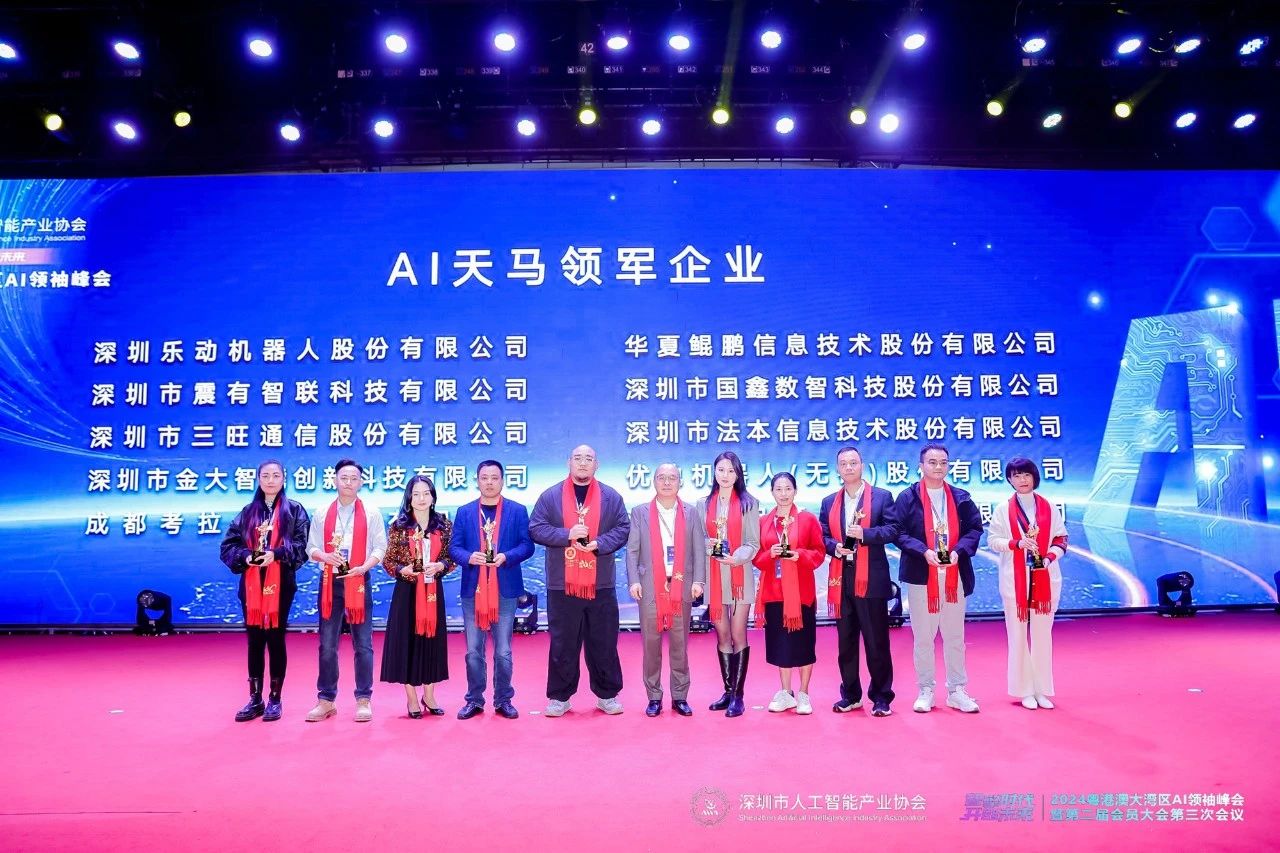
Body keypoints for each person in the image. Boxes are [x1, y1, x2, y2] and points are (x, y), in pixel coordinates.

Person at [529, 444, 631, 716]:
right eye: (578, 458)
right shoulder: (550, 496)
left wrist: (600, 543)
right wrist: (567, 535)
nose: (583, 463)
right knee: (563, 642)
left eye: (588, 458)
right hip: (562, 583)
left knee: (603, 642)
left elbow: (624, 528)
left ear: (597, 464)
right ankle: (559, 697)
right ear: (569, 463)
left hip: (601, 582)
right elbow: (536, 528)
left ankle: (607, 695)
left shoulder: (611, 497)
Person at [892, 443, 984, 714]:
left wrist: (958, 551)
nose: (938, 467)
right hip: (922, 575)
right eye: (932, 462)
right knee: (923, 637)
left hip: (955, 575)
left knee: (955, 636)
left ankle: (957, 690)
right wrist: (924, 551)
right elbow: (898, 532)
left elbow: (975, 530)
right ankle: (926, 689)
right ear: (921, 466)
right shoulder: (907, 497)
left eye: (943, 462)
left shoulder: (961, 497)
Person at [219, 460, 311, 722]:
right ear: (258, 479)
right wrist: (246, 556)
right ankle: (255, 698)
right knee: (255, 640)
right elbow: (228, 547)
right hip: (251, 585)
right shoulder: (247, 512)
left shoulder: (295, 510)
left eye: (276, 475)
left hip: (280, 584)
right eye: (266, 476)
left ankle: (275, 698)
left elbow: (302, 546)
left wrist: (277, 554)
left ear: (284, 479)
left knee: (275, 638)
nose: (271, 480)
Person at [448, 459, 534, 720]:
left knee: (503, 651)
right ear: (477, 481)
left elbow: (527, 546)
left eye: (494, 478)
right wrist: (468, 557)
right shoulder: (465, 512)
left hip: (505, 589)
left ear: (502, 481)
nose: (489, 482)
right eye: (484, 478)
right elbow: (454, 548)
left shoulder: (517, 510)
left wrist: (506, 556)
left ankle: (503, 699)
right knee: (473, 650)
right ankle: (474, 700)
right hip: (473, 590)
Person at [305, 458, 388, 723]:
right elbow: (310, 548)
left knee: (363, 644)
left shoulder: (372, 513)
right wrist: (324, 556)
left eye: (354, 478)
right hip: (330, 582)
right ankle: (326, 700)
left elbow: (380, 547)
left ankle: (363, 699)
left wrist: (363, 567)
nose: (348, 483)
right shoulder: (322, 513)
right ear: (334, 480)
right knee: (327, 645)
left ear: (361, 482)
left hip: (359, 580)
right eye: (344, 478)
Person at [818, 446, 897, 717]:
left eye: (853, 462)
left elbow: (893, 530)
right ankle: (851, 695)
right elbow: (822, 536)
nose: (849, 467)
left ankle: (881, 696)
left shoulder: (882, 497)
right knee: (846, 642)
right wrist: (835, 547)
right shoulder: (829, 502)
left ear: (862, 466)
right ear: (837, 469)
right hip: (842, 578)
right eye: (844, 464)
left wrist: (865, 534)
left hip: (871, 578)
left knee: (876, 642)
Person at [987, 457, 1068, 711]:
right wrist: (1016, 544)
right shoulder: (1003, 509)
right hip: (1015, 582)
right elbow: (993, 541)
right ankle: (1024, 690)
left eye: (1026, 475)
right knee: (1018, 636)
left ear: (1034, 477)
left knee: (1043, 635)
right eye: (1016, 476)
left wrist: (1049, 557)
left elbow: (1061, 539)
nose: (1022, 480)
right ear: (1009, 480)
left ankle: (1042, 689)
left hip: (1046, 579)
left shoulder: (1049, 507)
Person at [626, 463, 707, 717]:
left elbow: (698, 549)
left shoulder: (691, 513)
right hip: (650, 588)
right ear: (654, 482)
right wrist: (633, 581)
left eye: (672, 478)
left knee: (679, 645)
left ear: (680, 482)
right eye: (662, 477)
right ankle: (654, 696)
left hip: (681, 586)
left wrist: (699, 581)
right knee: (651, 646)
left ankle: (680, 696)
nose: (667, 482)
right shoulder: (640, 512)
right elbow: (632, 550)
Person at [379, 475, 455, 717]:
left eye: (426, 493)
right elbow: (388, 561)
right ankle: (411, 698)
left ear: (433, 497)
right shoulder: (399, 526)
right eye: (416, 494)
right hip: (407, 592)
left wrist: (441, 565)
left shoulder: (444, 525)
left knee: (432, 641)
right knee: (407, 643)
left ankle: (429, 695)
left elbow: (452, 556)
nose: (421, 498)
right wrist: (403, 570)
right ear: (409, 498)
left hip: (433, 590)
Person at [752, 472, 825, 715]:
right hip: (773, 592)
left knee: (803, 644)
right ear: (772, 492)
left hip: (802, 592)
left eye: (788, 489)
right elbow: (757, 558)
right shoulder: (764, 521)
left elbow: (819, 553)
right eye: (778, 489)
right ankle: (786, 693)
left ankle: (803, 693)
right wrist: (770, 554)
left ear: (795, 491)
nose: (783, 494)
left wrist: (799, 555)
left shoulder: (807, 519)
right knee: (781, 645)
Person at [693, 451, 760, 718]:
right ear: (714, 472)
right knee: (722, 635)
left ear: (738, 474)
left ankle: (738, 696)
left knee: (737, 632)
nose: (725, 475)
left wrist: (736, 557)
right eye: (721, 470)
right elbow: (697, 539)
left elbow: (753, 542)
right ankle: (728, 690)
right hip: (714, 575)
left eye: (731, 471)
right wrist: (707, 544)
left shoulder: (748, 503)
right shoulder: (702, 504)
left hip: (739, 572)